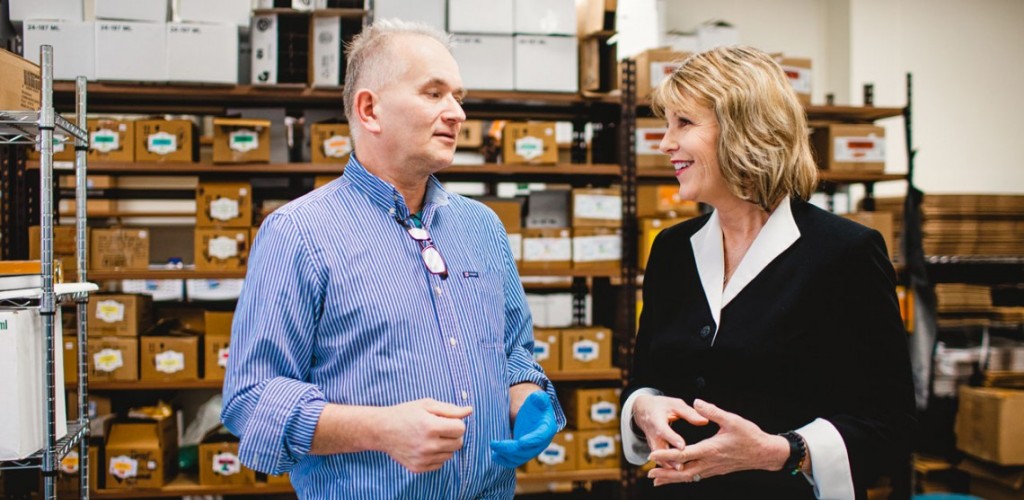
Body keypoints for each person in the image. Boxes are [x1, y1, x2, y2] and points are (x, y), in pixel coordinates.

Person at [222, 19, 564, 498]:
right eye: (433, 93)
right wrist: (380, 429)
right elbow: (251, 401)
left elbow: (513, 349)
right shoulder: (298, 233)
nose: (457, 113)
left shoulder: (482, 226)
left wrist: (525, 395)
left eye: (459, 97)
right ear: (370, 109)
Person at [620, 46, 915, 499]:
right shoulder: (673, 250)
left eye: (684, 123)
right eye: (666, 124)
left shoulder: (846, 255)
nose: (665, 143)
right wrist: (644, 408)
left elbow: (889, 427)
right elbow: (646, 379)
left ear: (745, 131)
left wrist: (780, 451)